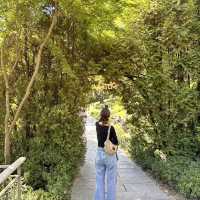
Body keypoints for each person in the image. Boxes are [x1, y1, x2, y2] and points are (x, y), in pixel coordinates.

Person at [94, 105, 119, 200]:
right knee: (111, 180)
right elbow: (116, 142)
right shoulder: (111, 128)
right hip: (109, 156)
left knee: (99, 179)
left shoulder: (97, 125)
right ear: (108, 116)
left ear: (101, 114)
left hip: (99, 154)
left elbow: (100, 122)